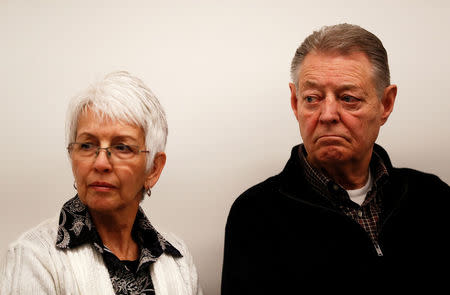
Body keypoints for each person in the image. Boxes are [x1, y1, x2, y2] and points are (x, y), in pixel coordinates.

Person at [221, 24, 450, 293]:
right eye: (312, 98)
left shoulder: (433, 198)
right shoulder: (255, 215)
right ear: (295, 104)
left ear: (385, 104)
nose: (327, 114)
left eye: (348, 98)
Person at [0, 71, 203, 295]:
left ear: (153, 169)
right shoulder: (36, 257)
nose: (101, 163)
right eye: (87, 145)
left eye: (122, 147)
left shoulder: (177, 261)